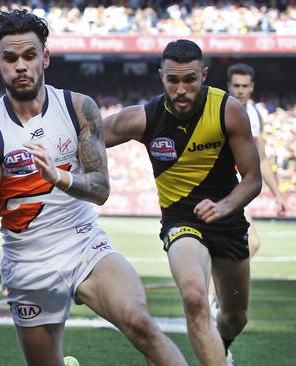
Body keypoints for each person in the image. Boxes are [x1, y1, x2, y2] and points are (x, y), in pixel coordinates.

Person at [0, 10, 187, 366]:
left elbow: (100, 188)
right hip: (27, 263)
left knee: (139, 321)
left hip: (83, 243)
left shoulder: (79, 108)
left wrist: (59, 177)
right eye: (11, 58)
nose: (21, 66)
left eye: (30, 56)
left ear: (44, 58)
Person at [104, 40, 262, 365]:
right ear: (160, 76)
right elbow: (85, 136)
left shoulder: (228, 110)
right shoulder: (144, 118)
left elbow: (252, 179)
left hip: (228, 220)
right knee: (194, 297)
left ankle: (223, 346)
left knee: (236, 318)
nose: (181, 88)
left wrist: (224, 206)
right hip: (181, 222)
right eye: (172, 80)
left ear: (203, 75)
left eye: (189, 79)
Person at [226, 63, 288, 254]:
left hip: (239, 190)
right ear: (229, 85)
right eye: (236, 86)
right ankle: (215, 284)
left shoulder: (255, 115)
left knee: (238, 248)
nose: (240, 90)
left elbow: (261, 159)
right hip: (221, 189)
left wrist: (278, 195)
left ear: (252, 87)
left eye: (245, 86)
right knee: (250, 243)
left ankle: (215, 284)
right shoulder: (218, 111)